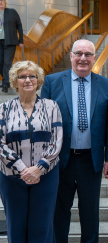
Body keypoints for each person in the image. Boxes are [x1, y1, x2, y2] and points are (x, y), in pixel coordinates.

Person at [41, 39, 108, 243]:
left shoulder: (106, 85)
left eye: (88, 54)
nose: (83, 58)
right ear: (71, 56)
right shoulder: (52, 81)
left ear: (94, 58)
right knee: (59, 213)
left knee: (90, 215)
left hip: (90, 161)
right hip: (59, 161)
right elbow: (43, 124)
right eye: (79, 53)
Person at [0, 60, 62, 242]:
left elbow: (56, 141)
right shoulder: (3, 109)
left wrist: (39, 168)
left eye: (32, 76)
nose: (28, 80)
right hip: (11, 177)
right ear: (15, 81)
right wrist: (21, 168)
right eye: (22, 77)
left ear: (38, 80)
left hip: (46, 176)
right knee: (16, 227)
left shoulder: (51, 107)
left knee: (42, 227)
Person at [0, 0, 24, 93]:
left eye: (2, 0)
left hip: (9, 42)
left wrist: (21, 40)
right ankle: (7, 81)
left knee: (7, 63)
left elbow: (19, 26)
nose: (0, 2)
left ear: (5, 2)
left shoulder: (12, 12)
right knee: (0, 62)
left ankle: (5, 84)